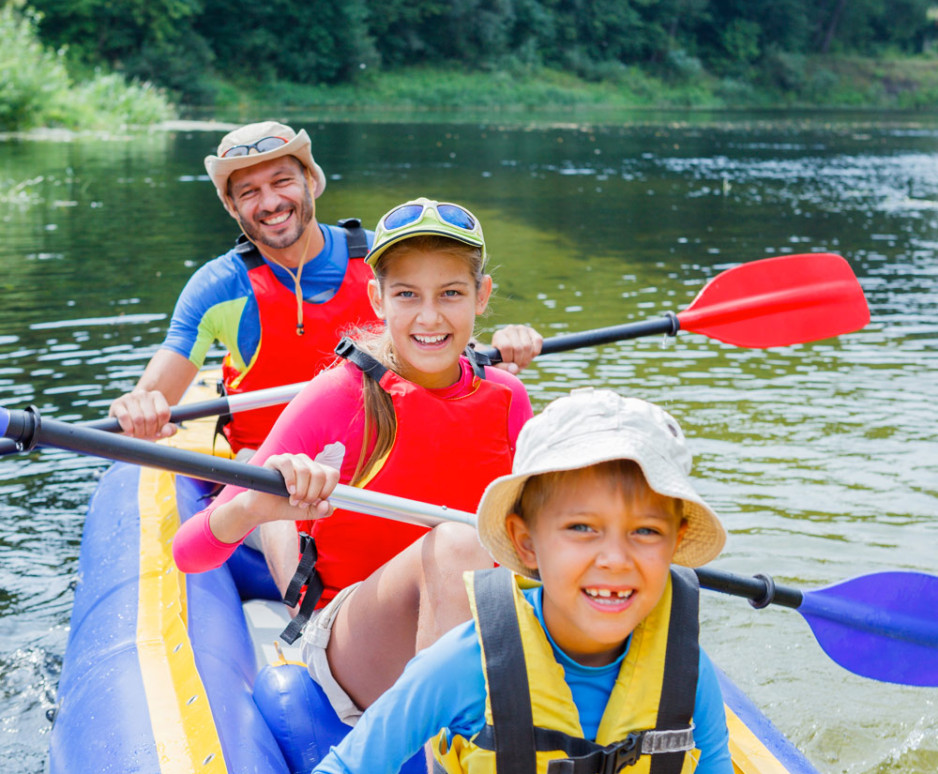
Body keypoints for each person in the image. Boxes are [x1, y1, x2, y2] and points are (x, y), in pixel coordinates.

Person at [173, 198, 534, 719]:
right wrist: (254, 507)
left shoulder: (507, 398)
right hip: (352, 637)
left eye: (451, 293)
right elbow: (189, 553)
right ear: (377, 297)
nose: (429, 316)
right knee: (457, 544)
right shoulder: (336, 397)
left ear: (481, 296)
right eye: (407, 294)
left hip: (474, 618)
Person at [310, 388, 734, 774]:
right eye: (582, 528)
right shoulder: (465, 665)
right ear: (526, 543)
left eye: (646, 531)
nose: (614, 559)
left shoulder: (686, 671)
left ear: (674, 545)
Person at [109, 121, 541, 452]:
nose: (271, 202)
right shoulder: (218, 286)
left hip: (383, 449)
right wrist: (137, 407)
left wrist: (502, 347)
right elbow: (154, 395)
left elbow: (446, 330)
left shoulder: (381, 256)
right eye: (249, 192)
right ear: (231, 206)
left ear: (310, 182)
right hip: (269, 467)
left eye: (281, 181)